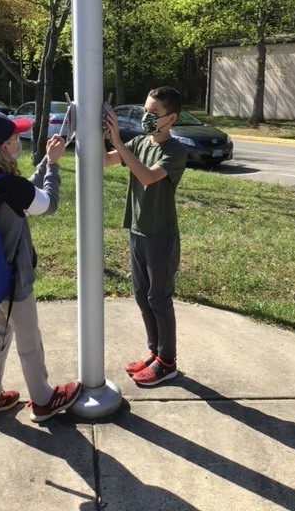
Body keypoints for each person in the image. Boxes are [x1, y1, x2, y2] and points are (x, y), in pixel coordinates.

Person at [0, 110, 81, 423]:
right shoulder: (11, 187)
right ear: (5, 148)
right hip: (13, 282)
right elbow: (47, 204)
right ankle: (44, 401)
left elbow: (25, 194)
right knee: (29, 342)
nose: (19, 140)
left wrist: (44, 161)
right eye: (14, 137)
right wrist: (54, 165)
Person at [103, 87, 187, 386]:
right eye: (144, 112)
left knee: (158, 298)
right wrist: (100, 132)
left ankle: (168, 361)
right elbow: (104, 161)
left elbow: (148, 177)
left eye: (153, 114)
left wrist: (118, 143)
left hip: (160, 234)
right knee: (141, 295)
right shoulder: (138, 142)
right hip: (137, 229)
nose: (146, 118)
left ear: (171, 118)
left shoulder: (174, 151)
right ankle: (155, 353)